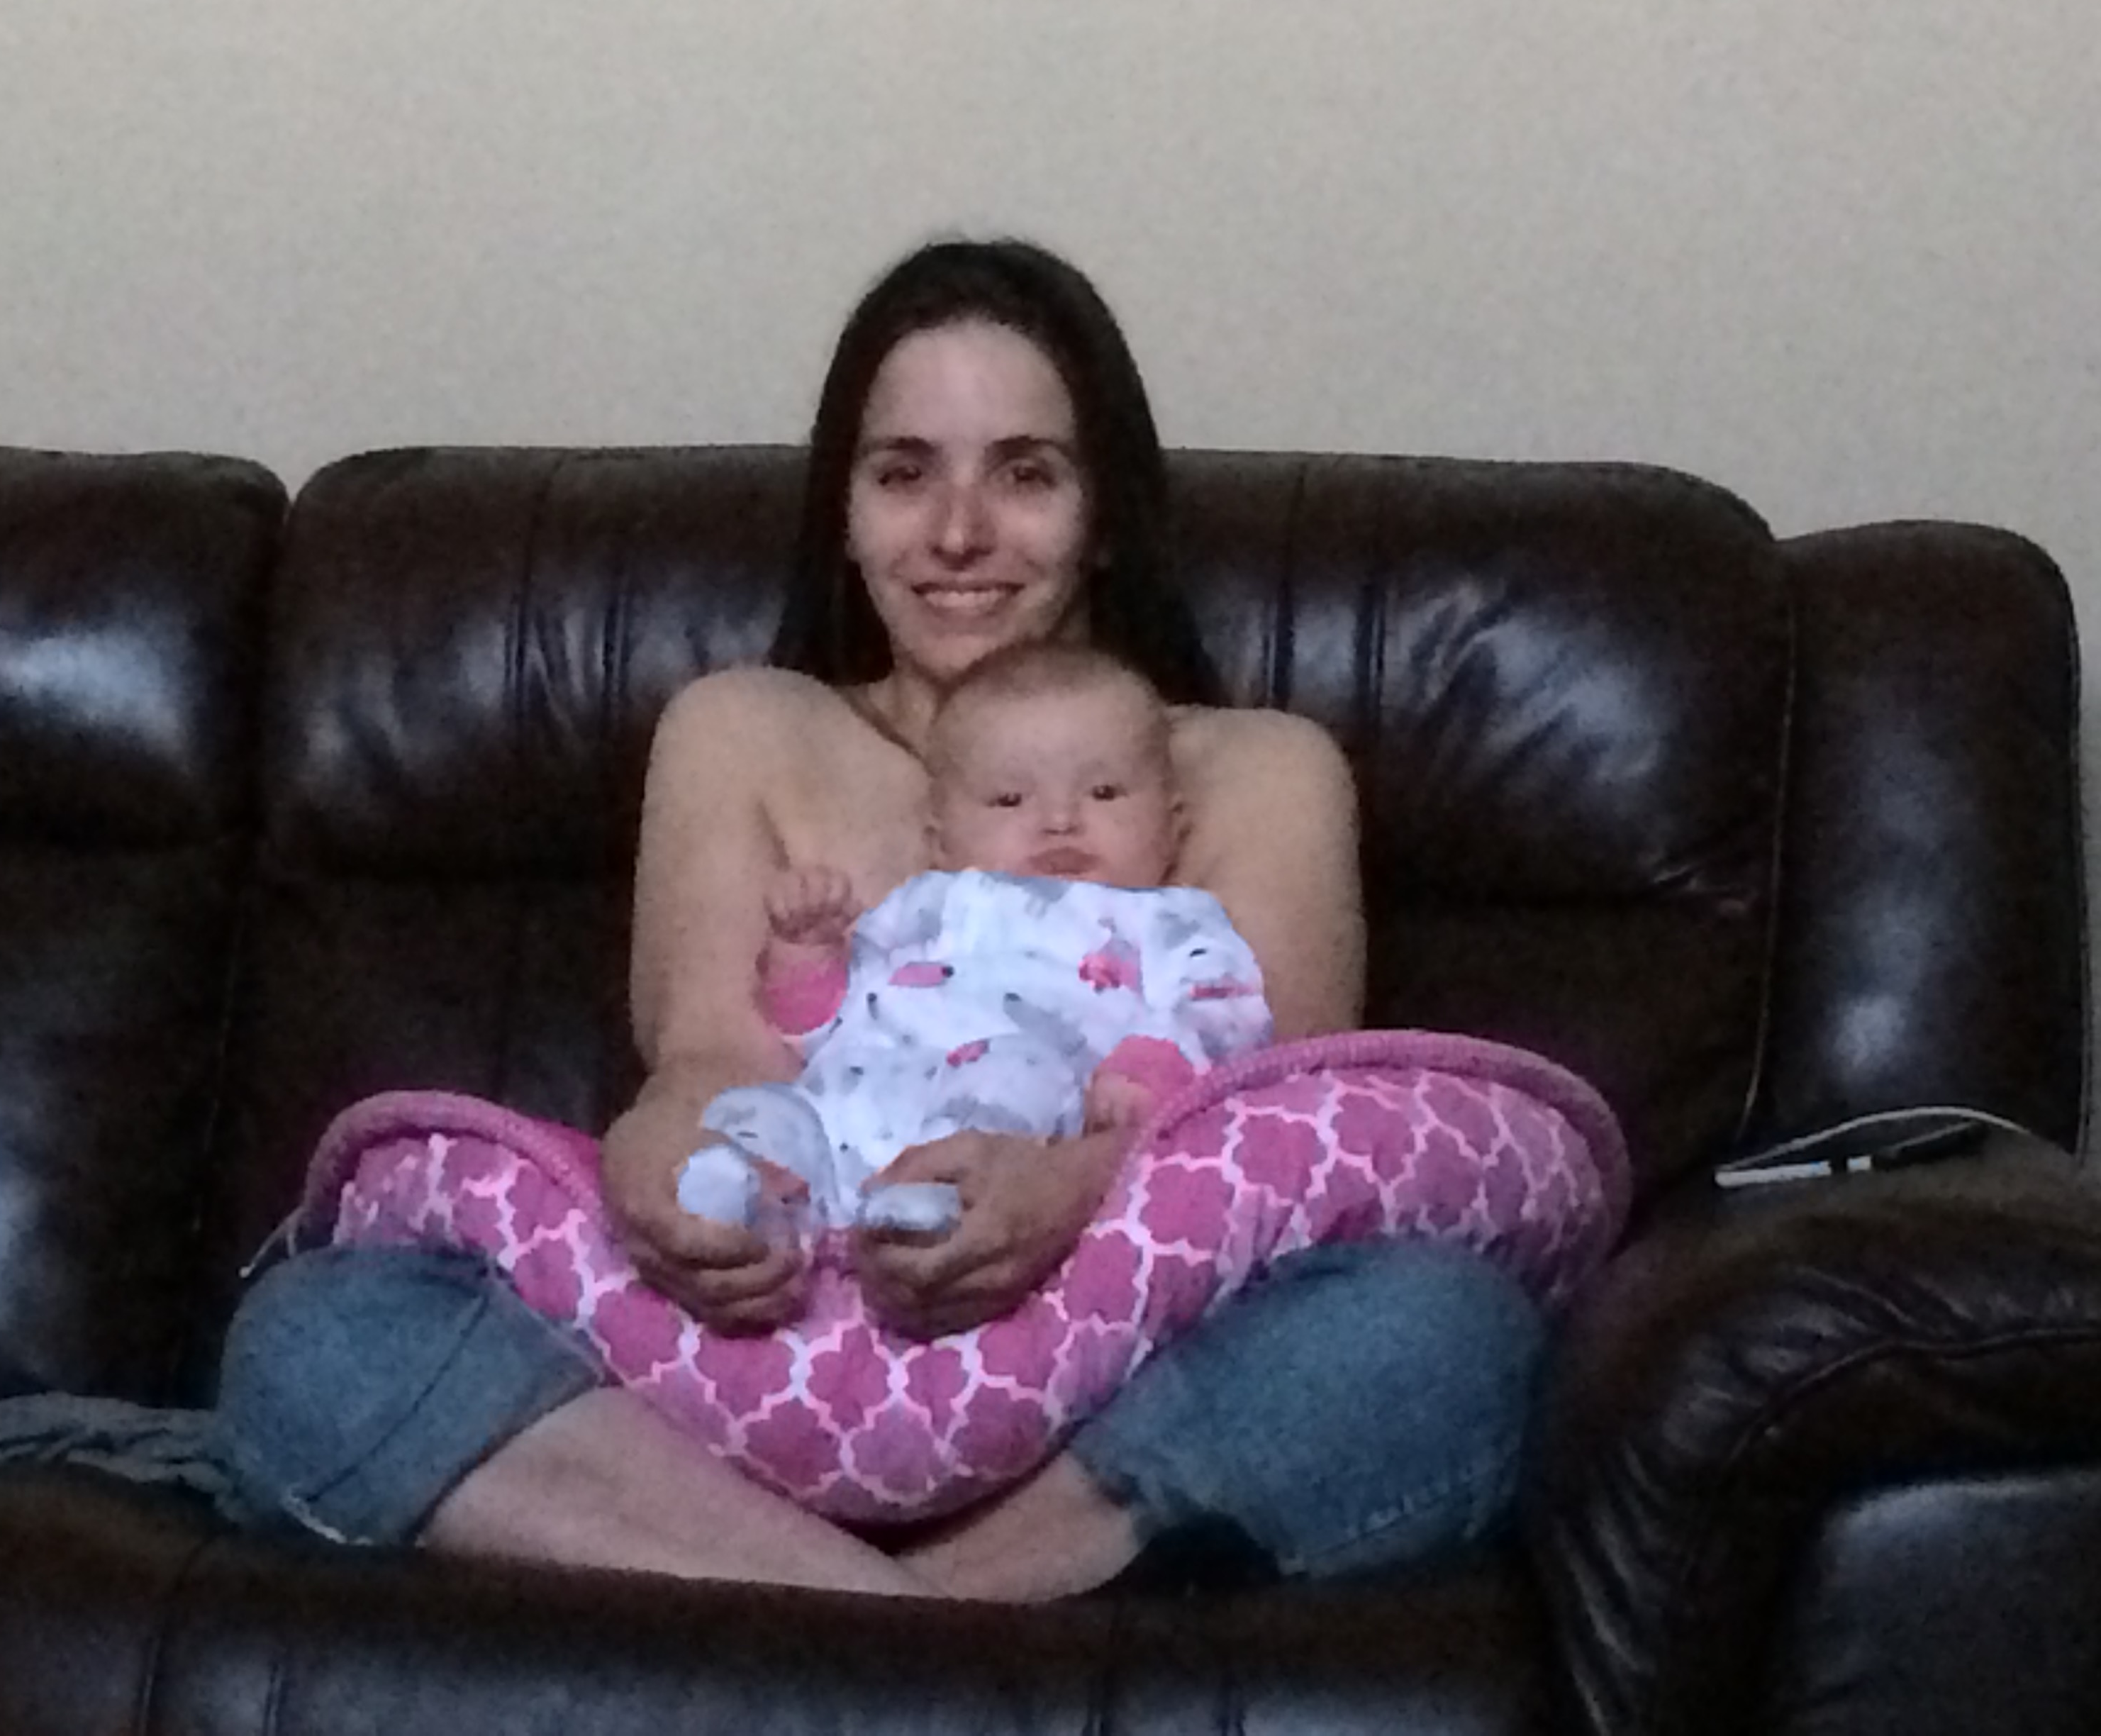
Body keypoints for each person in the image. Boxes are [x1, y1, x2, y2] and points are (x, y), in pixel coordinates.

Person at [216, 236, 1544, 1601]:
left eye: (1024, 473)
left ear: (1103, 511)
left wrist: (1070, 1192)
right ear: (843, 514)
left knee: (1445, 1335)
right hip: (746, 1375)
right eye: (903, 473)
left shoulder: (1254, 768)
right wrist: (660, 1166)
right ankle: (926, 1642)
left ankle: (859, 1625)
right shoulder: (743, 726)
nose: (957, 533)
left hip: (1098, 1385)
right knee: (313, 1335)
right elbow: (713, 1058)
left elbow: (1264, 1141)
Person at [675, 642, 1273, 1239]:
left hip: (1013, 1120)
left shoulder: (1167, 920)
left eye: (1105, 793)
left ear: (1173, 823)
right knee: (770, 1109)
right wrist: (805, 954)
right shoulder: (921, 907)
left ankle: (934, 1200)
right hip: (861, 1094)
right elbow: (825, 1027)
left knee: (1009, 1074)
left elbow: (1224, 1010)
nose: (1060, 820)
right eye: (1011, 800)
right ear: (942, 841)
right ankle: (745, 1199)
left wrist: (1150, 1065)